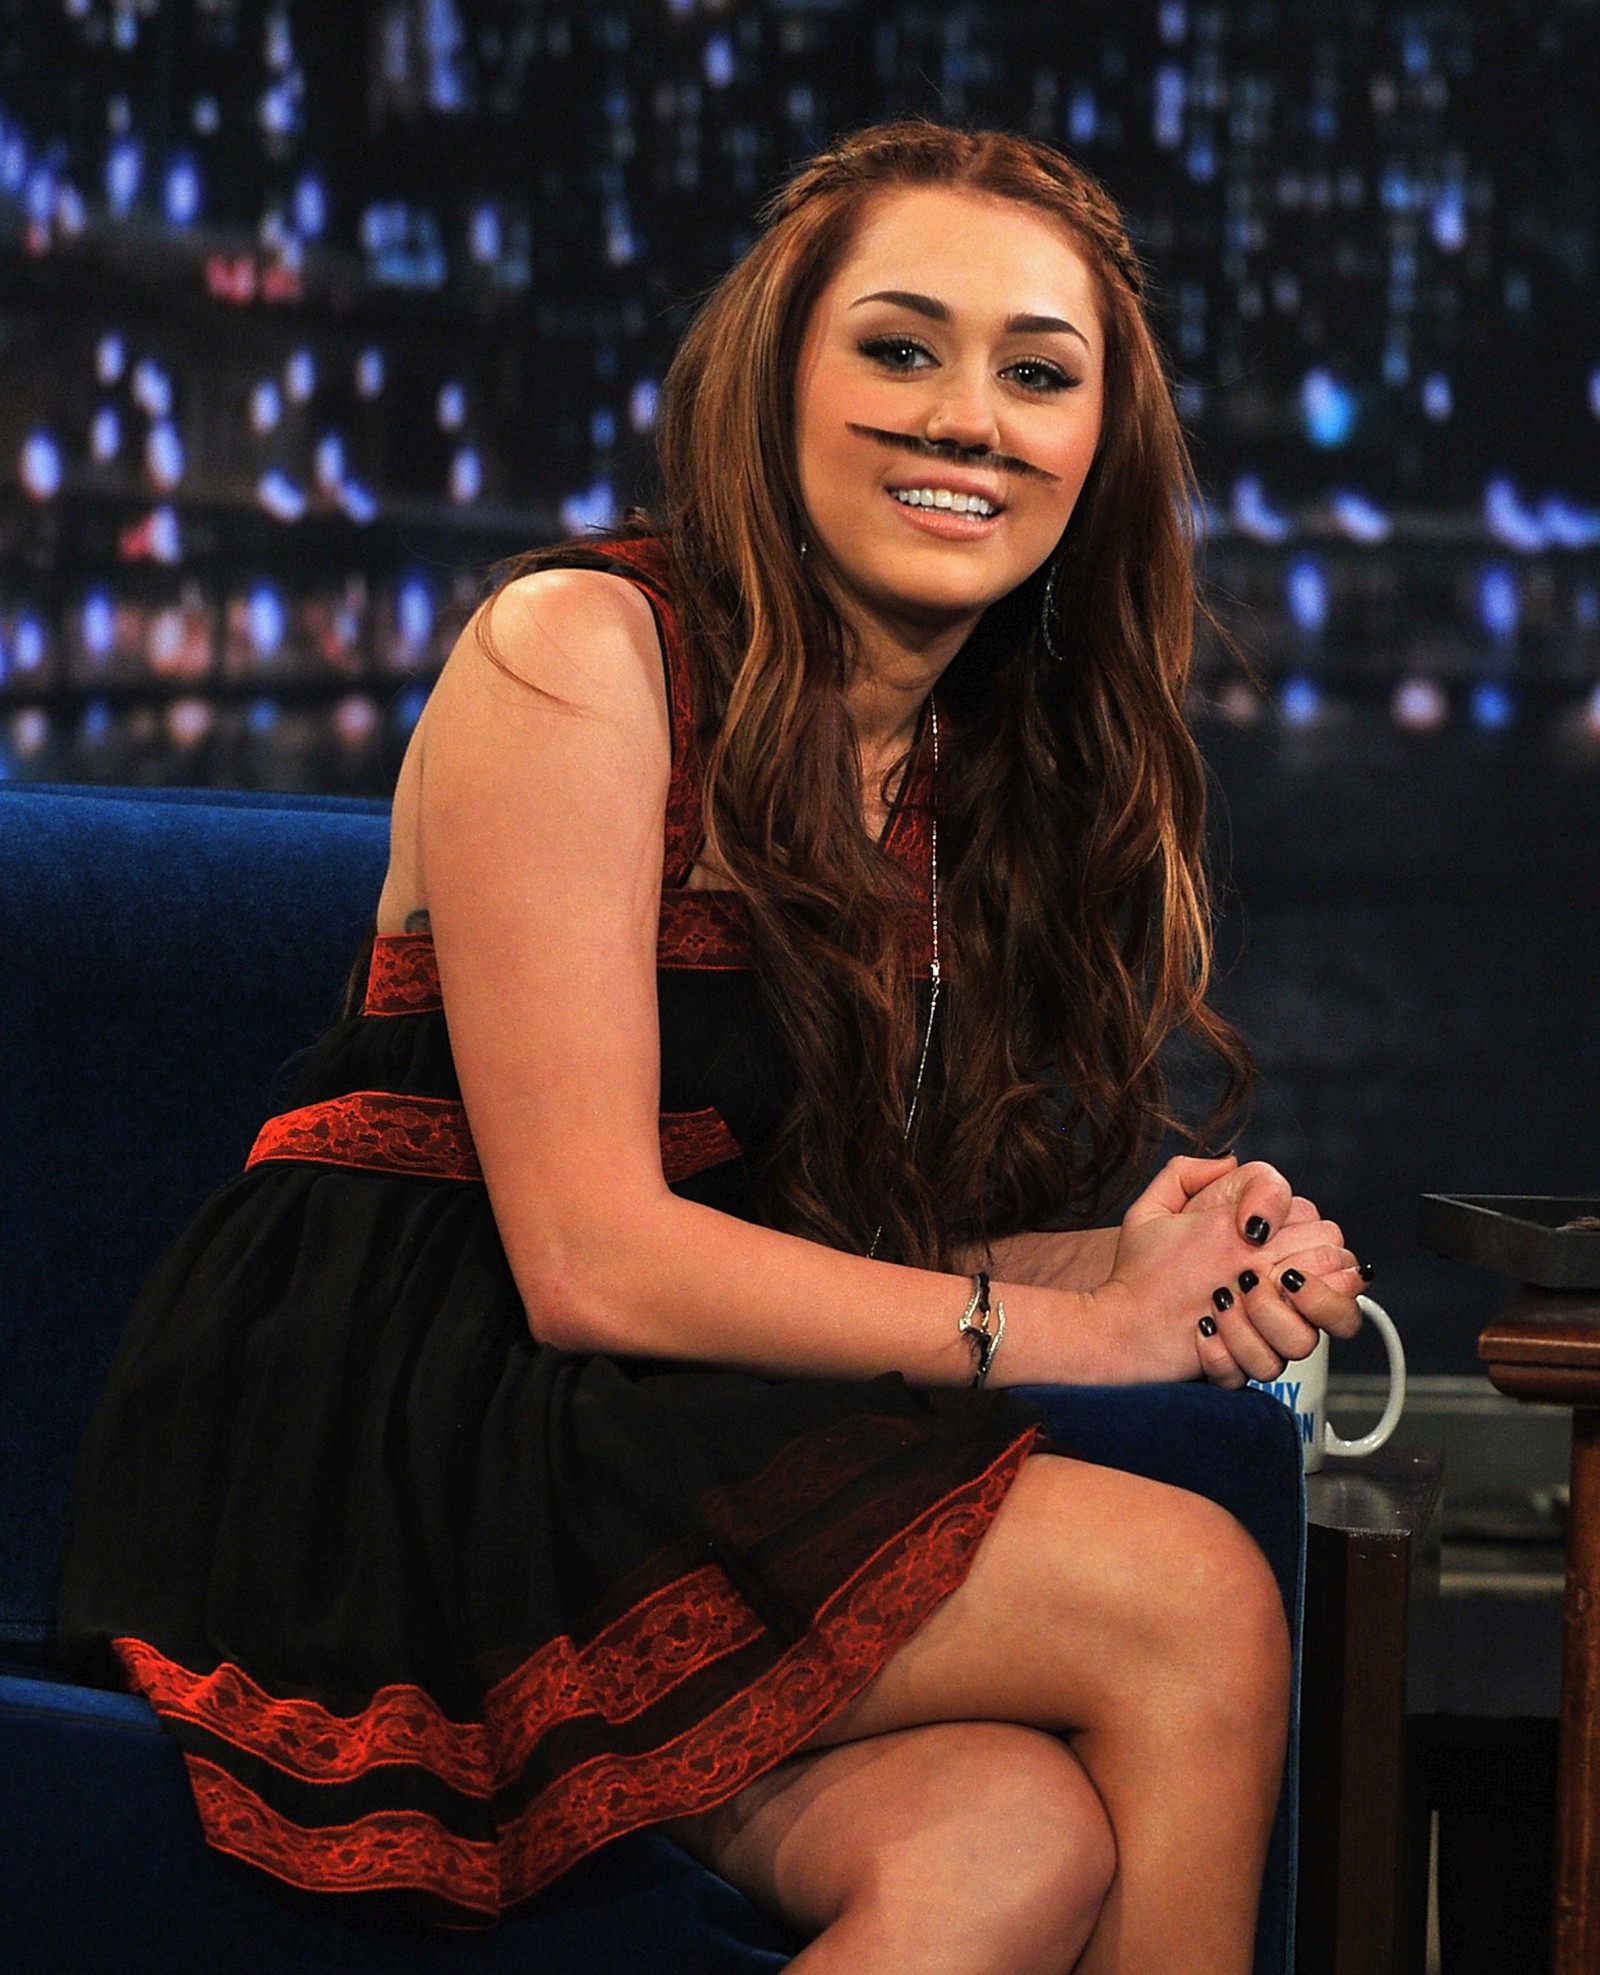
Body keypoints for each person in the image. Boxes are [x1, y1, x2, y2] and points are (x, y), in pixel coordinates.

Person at [59, 123, 1368, 1974]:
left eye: (1037, 374)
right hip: (396, 1425)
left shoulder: (961, 777)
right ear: (779, 382)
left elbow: (798, 1243)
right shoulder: (576, 651)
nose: (967, 419)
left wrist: (1131, 1268)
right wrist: (1089, 1338)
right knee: (1193, 1597)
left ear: (1103, 443)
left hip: (634, 1421)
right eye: (899, 348)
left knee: (1007, 1841)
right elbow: (592, 1256)